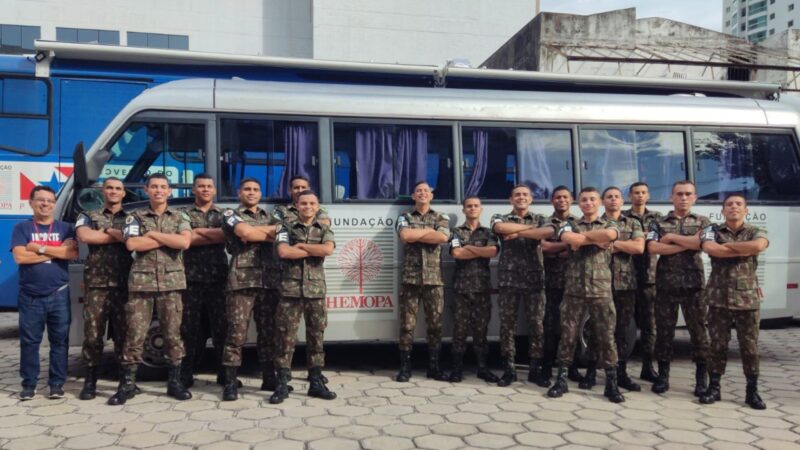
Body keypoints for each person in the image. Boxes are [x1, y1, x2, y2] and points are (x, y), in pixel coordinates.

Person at [110, 173, 193, 405]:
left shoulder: (180, 215)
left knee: (173, 335)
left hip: (171, 285)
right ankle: (127, 385)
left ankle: (174, 383)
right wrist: (169, 238)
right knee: (135, 334)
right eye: (154, 187)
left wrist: (154, 234)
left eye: (163, 187)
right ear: (146, 190)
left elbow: (185, 242)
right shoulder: (133, 217)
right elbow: (132, 244)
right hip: (141, 285)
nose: (158, 190)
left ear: (169, 191)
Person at [546, 187, 624, 403]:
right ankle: (561, 380)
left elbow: (610, 235)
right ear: (578, 204)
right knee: (568, 335)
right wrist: (589, 239)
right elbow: (570, 238)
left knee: (606, 336)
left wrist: (582, 238)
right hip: (574, 290)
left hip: (601, 290)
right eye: (584, 200)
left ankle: (612, 384)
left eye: (592, 199)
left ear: (599, 202)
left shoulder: (610, 222)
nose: (588, 203)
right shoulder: (568, 223)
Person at [699, 193, 769, 409]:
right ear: (722, 211)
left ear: (746, 210)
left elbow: (758, 246)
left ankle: (752, 391)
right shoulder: (712, 230)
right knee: (717, 345)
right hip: (718, 298)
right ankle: (714, 388)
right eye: (729, 204)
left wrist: (726, 248)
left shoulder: (756, 231)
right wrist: (740, 247)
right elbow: (711, 249)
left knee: (749, 347)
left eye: (739, 204)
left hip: (747, 299)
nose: (733, 207)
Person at [11, 186, 78, 400]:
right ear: (31, 202)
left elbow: (71, 253)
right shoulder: (21, 228)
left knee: (60, 341)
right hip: (30, 296)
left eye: (50, 201)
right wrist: (56, 251)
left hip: (59, 293)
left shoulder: (66, 228)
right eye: (40, 200)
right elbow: (21, 258)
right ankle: (29, 384)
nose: (46, 204)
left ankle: (57, 384)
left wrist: (38, 248)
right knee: (30, 342)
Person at [270, 190, 336, 404]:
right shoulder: (284, 228)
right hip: (290, 291)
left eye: (312, 203)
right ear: (296, 206)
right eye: (303, 203)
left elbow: (328, 250)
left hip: (315, 292)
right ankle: (281, 384)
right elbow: (284, 252)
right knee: (284, 338)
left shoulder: (324, 228)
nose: (308, 206)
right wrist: (312, 250)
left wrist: (301, 246)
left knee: (316, 337)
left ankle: (316, 382)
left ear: (318, 207)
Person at [646, 180, 711, 396]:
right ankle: (663, 377)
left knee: (699, 333)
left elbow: (703, 245)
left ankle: (702, 379)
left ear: (695, 197)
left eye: (688, 194)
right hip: (666, 286)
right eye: (679, 194)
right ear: (671, 197)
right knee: (664, 333)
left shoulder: (704, 222)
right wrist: (690, 242)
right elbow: (653, 247)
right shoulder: (658, 222)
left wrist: (673, 238)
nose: (683, 198)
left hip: (694, 287)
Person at [219, 178, 281, 401]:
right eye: (247, 189)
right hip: (241, 282)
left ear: (261, 193)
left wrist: (259, 232)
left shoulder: (271, 215)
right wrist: (267, 233)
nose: (252, 193)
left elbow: (284, 233)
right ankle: (230, 382)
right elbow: (245, 233)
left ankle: (269, 378)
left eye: (256, 189)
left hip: (268, 282)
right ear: (239, 192)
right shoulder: (229, 214)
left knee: (268, 333)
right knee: (236, 333)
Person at [490, 184, 555, 386]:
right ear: (511, 200)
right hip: (509, 280)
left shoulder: (541, 219)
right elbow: (500, 228)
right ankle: (509, 370)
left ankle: (535, 369)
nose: (521, 197)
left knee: (536, 325)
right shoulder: (500, 216)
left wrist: (517, 233)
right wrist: (530, 231)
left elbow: (548, 232)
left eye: (525, 195)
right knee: (507, 326)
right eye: (517, 195)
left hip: (534, 280)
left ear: (531, 199)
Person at [74, 177, 133, 400]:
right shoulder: (88, 215)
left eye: (118, 188)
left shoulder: (132, 217)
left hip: (124, 283)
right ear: (103, 191)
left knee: (124, 335)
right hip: (96, 284)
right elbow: (84, 236)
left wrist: (105, 234)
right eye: (110, 188)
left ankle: (125, 382)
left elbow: (132, 240)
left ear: (124, 193)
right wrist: (116, 234)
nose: (114, 192)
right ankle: (90, 383)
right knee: (93, 335)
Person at [395, 181, 451, 382]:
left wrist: (418, 234)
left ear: (431, 195)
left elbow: (443, 237)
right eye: (418, 191)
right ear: (413, 195)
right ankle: (405, 367)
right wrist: (430, 233)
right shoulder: (404, 217)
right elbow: (405, 235)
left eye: (426, 191)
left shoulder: (441, 217)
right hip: (410, 279)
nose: (422, 193)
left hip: (434, 280)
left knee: (435, 325)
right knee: (407, 325)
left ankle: (434, 367)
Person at [179, 174, 229, 389]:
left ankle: (224, 374)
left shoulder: (225, 214)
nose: (205, 189)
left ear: (215, 190)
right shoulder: (182, 214)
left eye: (209, 186)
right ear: (193, 190)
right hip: (191, 279)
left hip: (218, 279)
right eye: (201, 186)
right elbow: (185, 240)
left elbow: (227, 236)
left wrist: (198, 232)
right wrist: (212, 234)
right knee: (189, 329)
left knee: (222, 329)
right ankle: (186, 374)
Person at [448, 196, 499, 383]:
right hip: (461, 289)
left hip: (482, 289)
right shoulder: (456, 232)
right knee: (459, 330)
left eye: (476, 206)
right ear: (463, 210)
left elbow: (493, 252)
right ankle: (456, 369)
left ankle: (482, 368)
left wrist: (468, 247)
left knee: (481, 331)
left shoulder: (488, 232)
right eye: (469, 206)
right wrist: (479, 250)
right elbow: (457, 253)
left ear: (481, 209)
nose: (472, 208)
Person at [601, 186, 644, 392]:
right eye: (609, 197)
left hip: (626, 285)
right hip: (601, 284)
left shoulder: (633, 222)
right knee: (599, 330)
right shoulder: (596, 222)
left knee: (623, 331)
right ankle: (594, 372)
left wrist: (613, 242)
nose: (613, 200)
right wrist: (624, 243)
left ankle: (622, 373)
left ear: (622, 201)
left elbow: (639, 248)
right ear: (603, 201)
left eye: (616, 197)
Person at [540, 186, 580, 387]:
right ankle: (546, 369)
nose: (561, 200)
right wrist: (567, 248)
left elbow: (579, 245)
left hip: (574, 283)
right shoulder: (546, 223)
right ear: (552, 201)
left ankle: (571, 368)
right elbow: (544, 247)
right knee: (550, 326)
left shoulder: (579, 223)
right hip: (553, 282)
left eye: (565, 197)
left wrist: (563, 248)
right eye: (557, 197)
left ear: (571, 199)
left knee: (572, 327)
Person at [621, 182, 662, 382]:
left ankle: (648, 366)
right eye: (636, 192)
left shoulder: (658, 219)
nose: (639, 196)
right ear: (629, 195)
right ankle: (622, 369)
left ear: (648, 195)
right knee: (623, 324)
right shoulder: (622, 217)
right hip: (625, 278)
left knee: (649, 325)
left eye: (643, 192)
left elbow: (663, 241)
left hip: (649, 278)